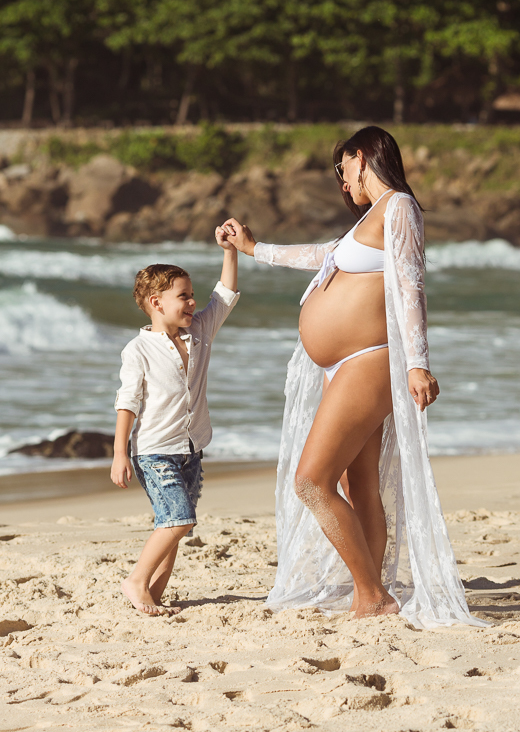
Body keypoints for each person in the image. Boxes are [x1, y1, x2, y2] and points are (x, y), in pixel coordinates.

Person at [221, 126, 484, 628]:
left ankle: (373, 594)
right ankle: (372, 589)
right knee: (357, 483)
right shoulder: (373, 217)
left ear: (360, 157)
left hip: (372, 358)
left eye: (343, 171)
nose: (343, 184)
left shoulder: (399, 207)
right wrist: (255, 249)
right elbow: (324, 256)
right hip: (347, 362)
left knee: (311, 482)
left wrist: (418, 363)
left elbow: (412, 284)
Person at [110, 227, 239, 616]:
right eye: (183, 296)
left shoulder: (200, 330)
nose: (192, 302)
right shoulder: (138, 350)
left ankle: (152, 594)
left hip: (192, 449)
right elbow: (127, 402)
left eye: (191, 295)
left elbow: (225, 296)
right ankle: (135, 582)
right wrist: (120, 453)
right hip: (154, 452)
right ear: (156, 302)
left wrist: (230, 251)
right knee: (178, 520)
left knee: (172, 528)